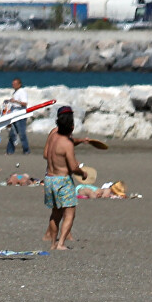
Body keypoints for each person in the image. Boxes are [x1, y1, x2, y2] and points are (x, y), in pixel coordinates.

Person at [42, 106, 87, 251]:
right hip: (63, 180)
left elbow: (46, 154)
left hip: (49, 178)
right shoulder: (67, 144)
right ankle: (61, 243)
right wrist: (83, 173)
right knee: (70, 213)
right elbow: (74, 167)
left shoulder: (53, 136)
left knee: (55, 213)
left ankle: (53, 243)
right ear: (72, 127)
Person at [4, 77, 30, 155]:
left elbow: (24, 103)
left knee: (22, 134)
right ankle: (10, 151)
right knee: (12, 134)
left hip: (20, 116)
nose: (13, 85)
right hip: (14, 116)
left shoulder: (22, 92)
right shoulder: (15, 92)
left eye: (15, 84)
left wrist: (15, 101)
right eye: (13, 84)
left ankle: (26, 150)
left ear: (19, 84)